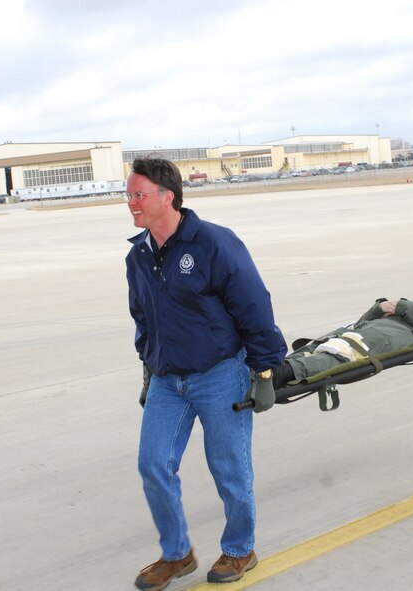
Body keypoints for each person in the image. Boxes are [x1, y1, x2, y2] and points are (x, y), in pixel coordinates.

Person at [125, 157, 287, 590]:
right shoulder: (137, 255)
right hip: (167, 381)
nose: (131, 202)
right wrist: (149, 364)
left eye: (138, 194)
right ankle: (176, 554)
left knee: (229, 467)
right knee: (153, 464)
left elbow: (254, 305)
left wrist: (265, 372)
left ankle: (240, 549)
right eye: (129, 194)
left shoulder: (214, 243)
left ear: (167, 196)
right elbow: (142, 316)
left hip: (219, 374)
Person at [273, 284, 413, 388]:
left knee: (337, 355)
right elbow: (361, 322)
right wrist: (380, 307)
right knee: (321, 346)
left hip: (374, 342)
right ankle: (273, 368)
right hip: (359, 332)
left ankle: (283, 373)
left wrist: (402, 306)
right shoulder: (411, 311)